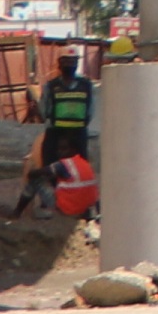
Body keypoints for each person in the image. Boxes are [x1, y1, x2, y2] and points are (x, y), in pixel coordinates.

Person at [11, 52, 96, 216]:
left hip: (62, 132)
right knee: (66, 172)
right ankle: (81, 209)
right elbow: (90, 111)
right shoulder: (79, 85)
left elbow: (44, 110)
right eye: (67, 61)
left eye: (72, 61)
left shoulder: (62, 85)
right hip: (71, 132)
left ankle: (33, 210)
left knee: (45, 174)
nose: (69, 64)